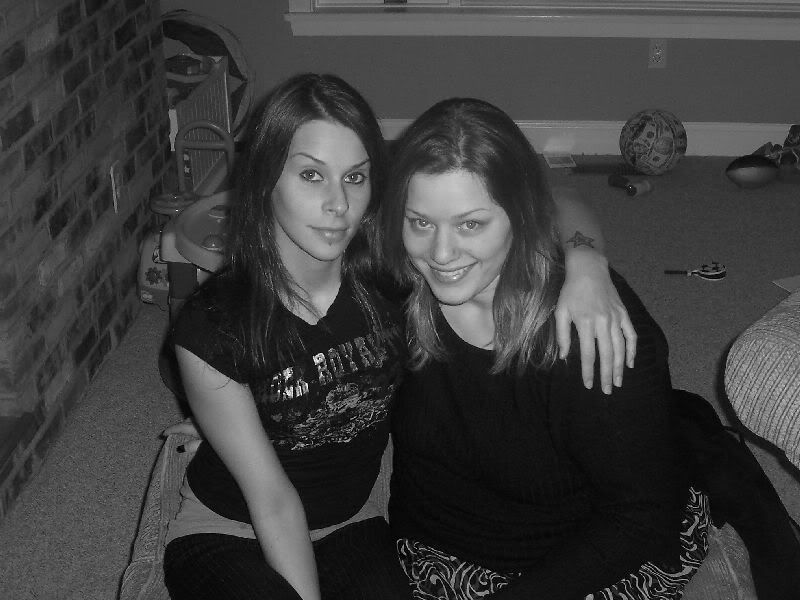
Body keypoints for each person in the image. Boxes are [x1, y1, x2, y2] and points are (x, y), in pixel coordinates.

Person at [161, 73, 636, 600]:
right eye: (312, 175)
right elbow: (272, 501)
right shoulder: (213, 327)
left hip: (350, 524)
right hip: (231, 527)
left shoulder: (395, 278)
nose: (338, 203)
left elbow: (558, 197)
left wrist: (587, 264)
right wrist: (225, 419)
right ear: (265, 178)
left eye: (355, 177)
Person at [379, 97, 710, 600]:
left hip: (580, 566)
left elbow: (641, 517)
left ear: (521, 215)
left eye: (471, 224)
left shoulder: (589, 330)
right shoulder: (399, 282)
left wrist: (587, 262)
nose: (440, 254)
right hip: (435, 553)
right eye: (420, 222)